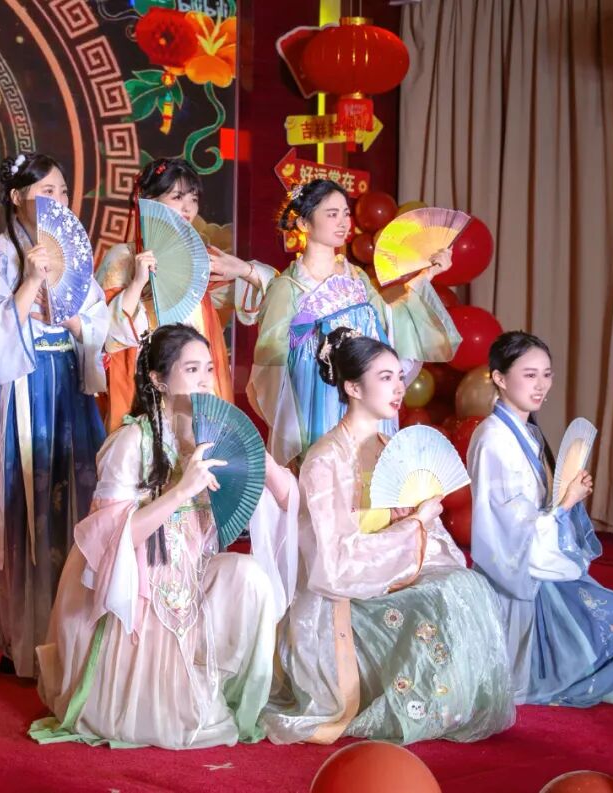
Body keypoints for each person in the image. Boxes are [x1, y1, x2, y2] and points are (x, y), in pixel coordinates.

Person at [32, 324, 299, 749]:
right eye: (191, 370)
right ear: (158, 380)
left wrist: (257, 455)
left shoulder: (214, 436)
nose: (205, 381)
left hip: (190, 575)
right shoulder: (131, 441)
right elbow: (111, 539)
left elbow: (288, 499)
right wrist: (181, 491)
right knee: (174, 725)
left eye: (209, 369)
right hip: (136, 585)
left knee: (250, 577)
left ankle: (224, 683)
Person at [264, 327, 514, 745]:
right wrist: (412, 525)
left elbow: (428, 542)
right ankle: (412, 706)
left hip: (390, 572)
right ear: (352, 387)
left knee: (465, 585)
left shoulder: (389, 448)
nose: (399, 388)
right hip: (343, 595)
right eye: (385, 378)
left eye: (399, 377)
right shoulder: (325, 459)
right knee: (448, 592)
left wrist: (415, 523)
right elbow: (333, 562)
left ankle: (447, 706)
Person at [0, 153, 109, 678]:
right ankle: (21, 638)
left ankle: (73, 630)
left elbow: (96, 322)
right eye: (47, 192)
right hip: (23, 387)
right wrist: (28, 282)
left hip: (67, 383)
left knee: (75, 499)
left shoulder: (75, 252)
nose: (58, 201)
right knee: (23, 504)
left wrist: (75, 322)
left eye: (63, 191)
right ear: (17, 197)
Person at [468, 330, 613, 706]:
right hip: (519, 574)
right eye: (529, 374)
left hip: (538, 562)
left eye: (546, 374)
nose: (541, 385)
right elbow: (507, 527)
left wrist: (567, 497)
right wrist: (565, 503)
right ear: (499, 378)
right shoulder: (493, 439)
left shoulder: (525, 432)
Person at [249, 179, 462, 467]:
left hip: (366, 400)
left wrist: (427, 275)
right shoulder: (288, 287)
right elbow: (271, 364)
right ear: (303, 223)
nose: (343, 222)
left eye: (346, 213)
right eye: (331, 214)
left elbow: (388, 322)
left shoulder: (356, 277)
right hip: (319, 406)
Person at [96, 157, 276, 431]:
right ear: (149, 200)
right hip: (145, 378)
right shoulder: (122, 257)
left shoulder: (201, 259)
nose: (188, 207)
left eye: (193, 199)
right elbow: (103, 332)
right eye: (177, 197)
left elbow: (277, 296)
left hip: (198, 379)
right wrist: (137, 283)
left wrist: (243, 269)